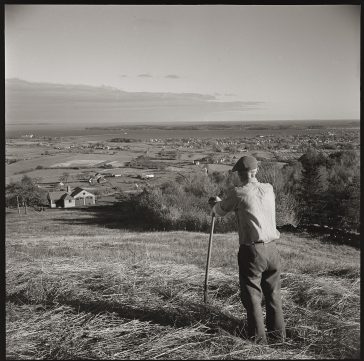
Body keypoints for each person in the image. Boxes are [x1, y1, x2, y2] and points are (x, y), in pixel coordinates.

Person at [208, 155, 285, 344]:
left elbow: (218, 211)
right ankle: (279, 337)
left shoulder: (239, 193)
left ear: (238, 175)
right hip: (273, 250)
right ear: (256, 171)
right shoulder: (268, 189)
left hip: (252, 252)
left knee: (252, 296)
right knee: (274, 294)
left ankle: (258, 341)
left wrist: (215, 203)